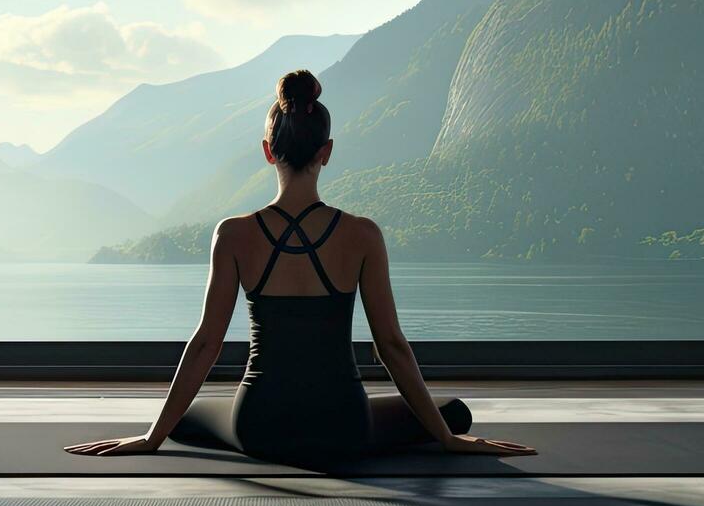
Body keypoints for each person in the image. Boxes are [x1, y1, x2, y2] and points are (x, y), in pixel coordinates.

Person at [67, 69, 535, 466]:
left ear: (268, 151)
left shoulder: (231, 234)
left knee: (189, 418)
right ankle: (441, 427)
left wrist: (152, 437)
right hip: (343, 426)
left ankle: (180, 426)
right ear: (326, 152)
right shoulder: (363, 235)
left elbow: (207, 342)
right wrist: (447, 439)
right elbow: (390, 344)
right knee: (451, 411)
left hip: (260, 427)